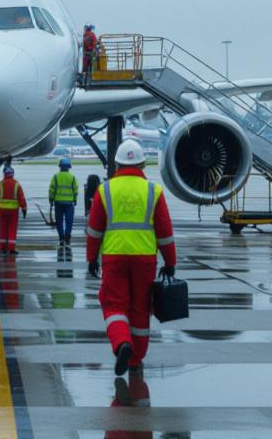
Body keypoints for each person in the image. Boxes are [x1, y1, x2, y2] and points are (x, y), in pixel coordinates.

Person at [86, 139, 176, 375]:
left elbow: (94, 231)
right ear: (143, 164)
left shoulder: (104, 190)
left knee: (114, 305)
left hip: (114, 257)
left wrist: (91, 258)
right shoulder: (153, 191)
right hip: (145, 258)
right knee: (140, 308)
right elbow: (165, 233)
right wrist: (170, 262)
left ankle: (121, 344)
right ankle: (135, 359)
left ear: (116, 164)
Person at [0, 165, 27, 255]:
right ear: (12, 174)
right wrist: (24, 209)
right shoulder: (16, 184)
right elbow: (21, 198)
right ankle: (11, 249)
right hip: (13, 211)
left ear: (4, 174)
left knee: (3, 229)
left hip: (2, 211)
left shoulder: (0, 184)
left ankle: (2, 248)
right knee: (12, 229)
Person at [49, 158, 79, 246]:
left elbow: (51, 190)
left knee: (59, 221)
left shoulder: (55, 177)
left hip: (58, 202)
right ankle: (67, 235)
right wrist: (75, 199)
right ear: (69, 167)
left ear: (60, 167)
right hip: (69, 203)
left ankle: (61, 237)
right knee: (69, 220)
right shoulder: (72, 177)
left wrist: (51, 199)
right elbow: (75, 190)